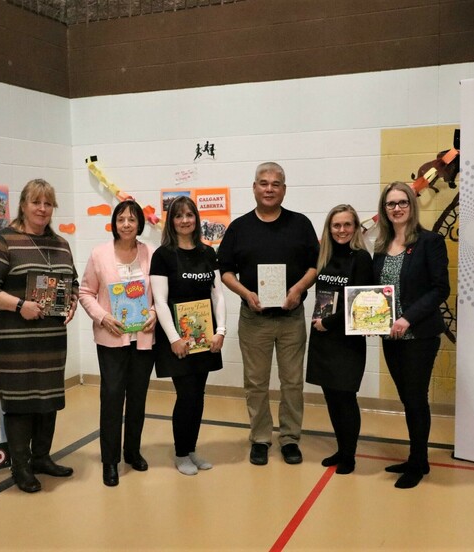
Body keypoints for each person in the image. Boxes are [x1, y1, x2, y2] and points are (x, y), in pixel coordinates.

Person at [0, 178, 78, 493]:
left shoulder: (60, 243)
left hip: (50, 340)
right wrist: (20, 305)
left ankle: (42, 458)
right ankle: (19, 468)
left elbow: (72, 282)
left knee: (48, 401)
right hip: (16, 341)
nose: (43, 209)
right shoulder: (3, 241)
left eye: (48, 204)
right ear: (23, 204)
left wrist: (72, 304)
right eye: (36, 203)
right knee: (20, 404)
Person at [218, 162, 318, 466]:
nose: (269, 189)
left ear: (284, 189)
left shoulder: (301, 224)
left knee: (292, 382)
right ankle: (260, 438)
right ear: (254, 187)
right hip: (254, 318)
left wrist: (298, 289)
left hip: (291, 318)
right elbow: (225, 271)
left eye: (276, 184)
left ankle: (290, 438)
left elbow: (315, 265)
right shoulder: (239, 227)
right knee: (256, 382)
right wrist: (245, 294)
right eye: (263, 183)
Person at [373, 182, 450, 489]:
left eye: (402, 202)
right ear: (384, 209)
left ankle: (417, 463)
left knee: (416, 399)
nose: (397, 208)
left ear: (411, 205)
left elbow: (439, 289)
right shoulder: (380, 247)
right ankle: (418, 457)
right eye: (391, 204)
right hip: (390, 337)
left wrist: (406, 318)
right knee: (407, 398)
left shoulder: (430, 241)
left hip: (419, 334)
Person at [78, 199, 157, 487]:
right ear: (114, 222)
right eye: (121, 219)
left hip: (144, 338)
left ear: (139, 224)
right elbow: (85, 291)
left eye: (132, 219)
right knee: (112, 398)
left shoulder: (150, 253)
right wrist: (102, 316)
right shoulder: (99, 254)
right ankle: (110, 460)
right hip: (111, 338)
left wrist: (155, 313)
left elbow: (160, 293)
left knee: (137, 397)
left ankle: (132, 451)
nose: (126, 224)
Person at [150, 196, 226, 476]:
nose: (184, 220)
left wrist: (221, 331)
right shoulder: (163, 255)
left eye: (189, 215)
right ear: (171, 221)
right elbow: (160, 301)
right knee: (186, 395)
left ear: (196, 219)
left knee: (198, 395)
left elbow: (218, 295)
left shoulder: (208, 252)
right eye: (179, 216)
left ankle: (191, 448)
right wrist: (173, 338)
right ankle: (181, 452)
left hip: (204, 339)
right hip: (178, 340)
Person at [306, 205, 374, 475]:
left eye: (347, 225)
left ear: (356, 227)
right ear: (329, 228)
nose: (342, 230)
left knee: (346, 399)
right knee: (331, 398)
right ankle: (341, 448)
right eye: (337, 225)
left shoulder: (361, 259)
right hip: (323, 338)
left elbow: (356, 301)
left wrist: (327, 323)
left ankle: (350, 455)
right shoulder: (325, 256)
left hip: (346, 340)